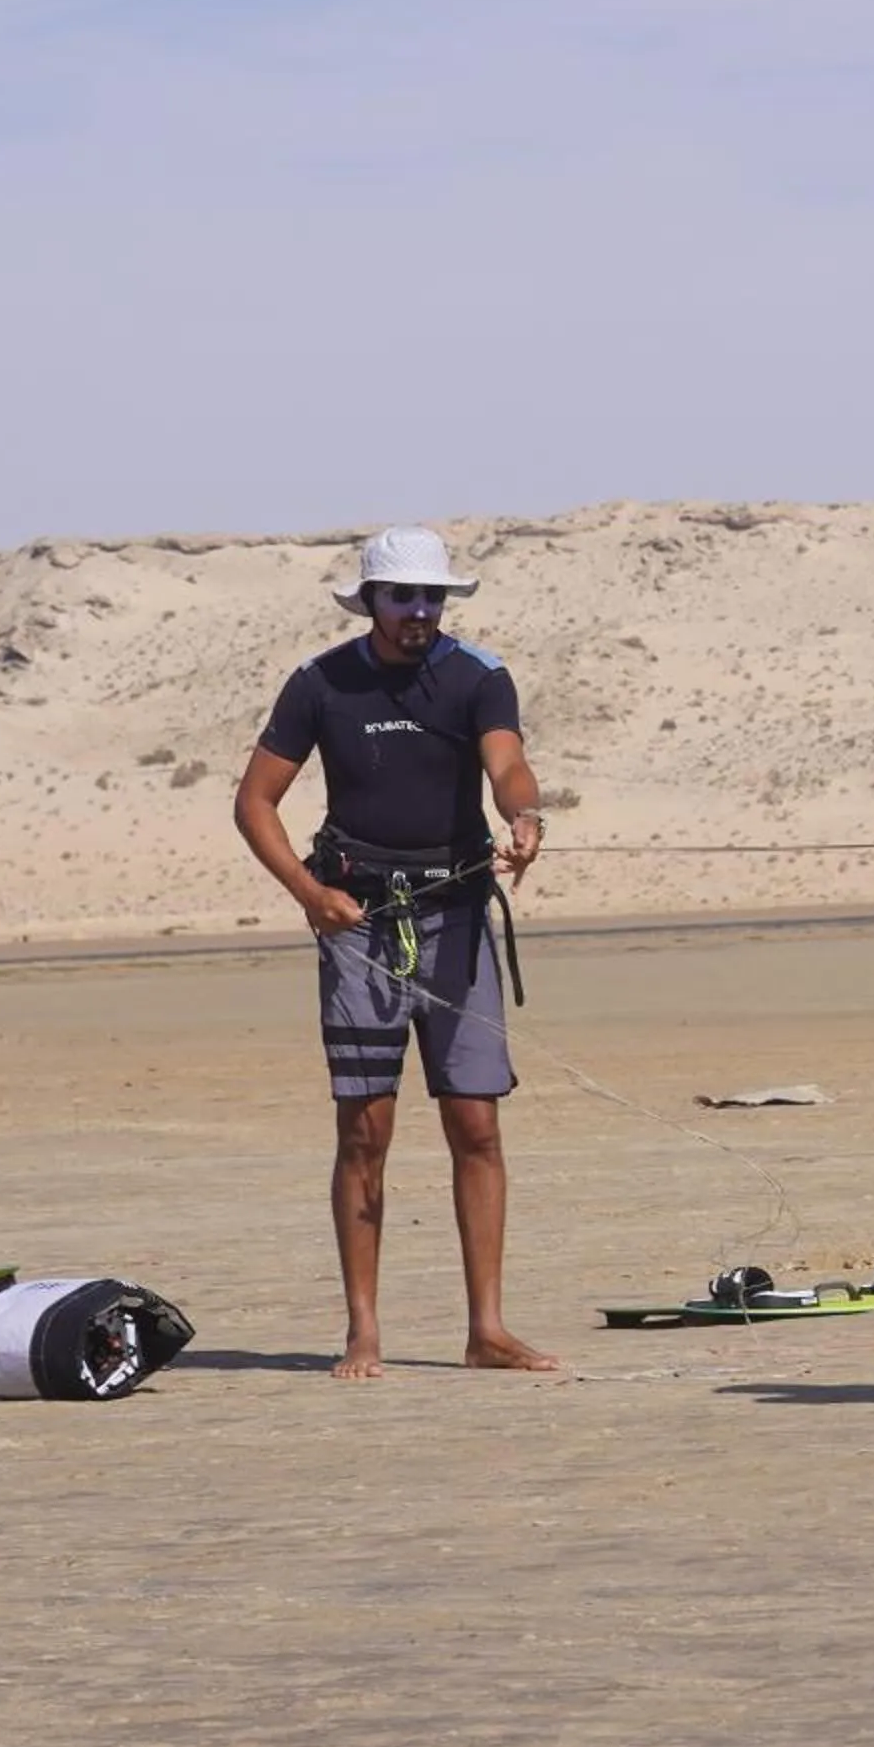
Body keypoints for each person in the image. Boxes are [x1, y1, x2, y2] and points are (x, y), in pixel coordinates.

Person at [233, 525, 558, 1379]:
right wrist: (311, 897)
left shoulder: (478, 677)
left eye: (432, 598)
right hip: (360, 929)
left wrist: (524, 819)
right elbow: (255, 803)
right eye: (403, 597)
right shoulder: (321, 684)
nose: (420, 612)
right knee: (364, 1133)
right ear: (371, 599)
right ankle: (363, 1333)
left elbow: (509, 766)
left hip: (455, 920)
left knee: (476, 1124)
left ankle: (486, 1330)